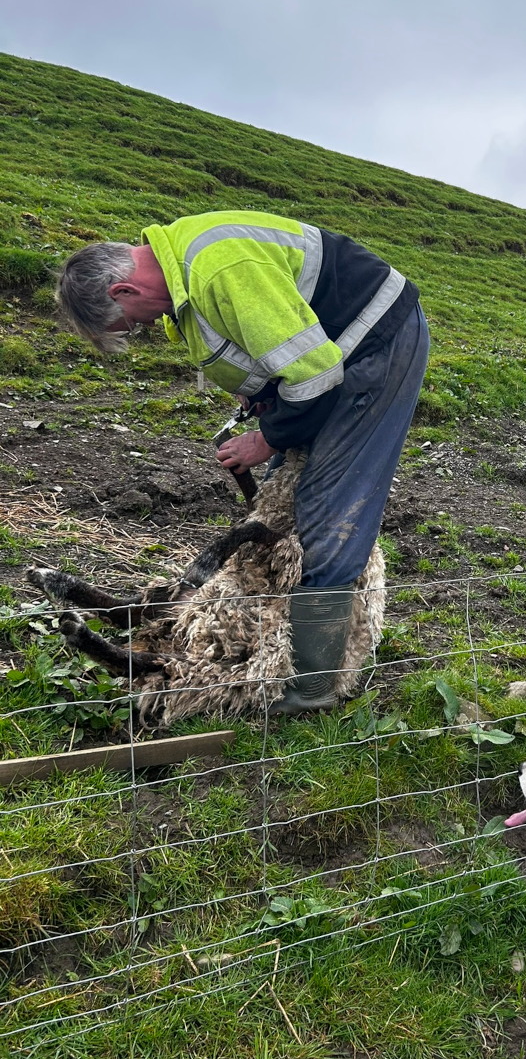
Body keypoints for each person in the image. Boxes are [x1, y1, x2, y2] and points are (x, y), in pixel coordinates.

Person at [56, 210, 429, 714]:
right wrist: (261, 405)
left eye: (131, 322)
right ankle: (279, 634)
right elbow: (272, 351)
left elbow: (315, 374)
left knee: (326, 516)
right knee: (284, 507)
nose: (141, 327)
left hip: (375, 350)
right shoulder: (184, 278)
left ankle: (313, 689)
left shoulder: (218, 269)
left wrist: (267, 439)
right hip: (331, 363)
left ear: (124, 291)